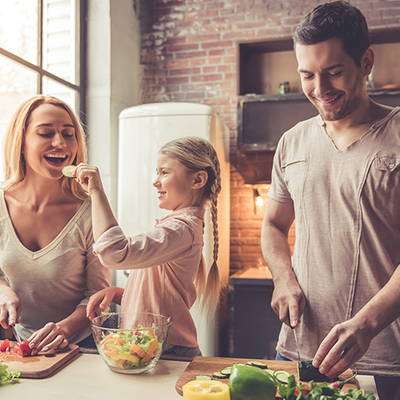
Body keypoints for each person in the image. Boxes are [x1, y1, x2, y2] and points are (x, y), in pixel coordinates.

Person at [261, 1, 400, 398]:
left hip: (388, 357)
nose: (320, 90)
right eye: (307, 75)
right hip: (301, 349)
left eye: (334, 72)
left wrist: (368, 324)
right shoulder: (292, 142)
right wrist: (282, 278)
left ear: (366, 61)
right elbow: (272, 225)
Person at [74, 136, 222, 358]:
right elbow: (159, 298)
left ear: (198, 180)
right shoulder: (180, 227)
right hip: (157, 348)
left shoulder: (181, 228)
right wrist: (119, 294)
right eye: (157, 172)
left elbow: (114, 253)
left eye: (165, 172)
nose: (156, 181)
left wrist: (96, 191)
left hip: (169, 352)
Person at [0, 95, 111, 355]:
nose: (60, 143)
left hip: (83, 348)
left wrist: (64, 329)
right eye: (46, 133)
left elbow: (99, 295)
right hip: (20, 345)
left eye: (69, 134)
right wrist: (3, 289)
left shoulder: (90, 210)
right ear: (22, 142)